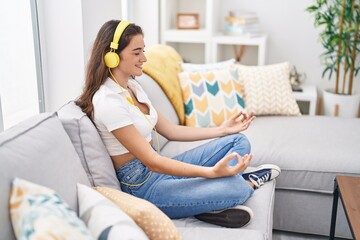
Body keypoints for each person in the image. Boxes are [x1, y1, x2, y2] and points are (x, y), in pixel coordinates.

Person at [76, 20, 281, 228]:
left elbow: (171, 131)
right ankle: (247, 182)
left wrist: (221, 129)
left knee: (238, 141)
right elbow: (153, 162)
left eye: (143, 51)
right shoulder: (108, 102)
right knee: (235, 188)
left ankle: (202, 203)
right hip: (142, 185)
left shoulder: (133, 86)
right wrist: (211, 173)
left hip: (159, 169)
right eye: (137, 52)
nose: (144, 59)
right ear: (111, 56)